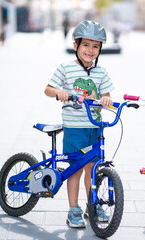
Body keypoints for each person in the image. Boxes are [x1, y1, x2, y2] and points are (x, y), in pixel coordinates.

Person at [44, 20, 114, 228]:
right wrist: (59, 92)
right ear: (76, 46)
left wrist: (107, 99)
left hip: (95, 128)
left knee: (92, 170)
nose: (90, 50)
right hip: (74, 129)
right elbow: (48, 89)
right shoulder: (65, 68)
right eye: (86, 45)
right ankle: (73, 209)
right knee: (75, 170)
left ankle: (92, 205)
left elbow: (107, 94)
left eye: (95, 46)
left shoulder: (101, 72)